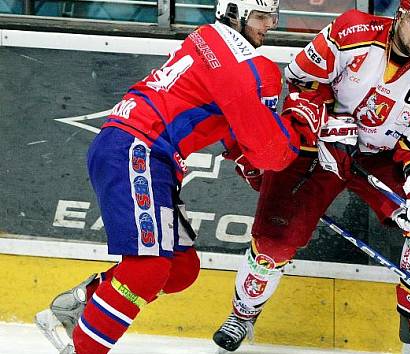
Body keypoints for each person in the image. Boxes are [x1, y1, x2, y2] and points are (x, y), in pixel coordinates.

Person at [33, 1, 327, 354]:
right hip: (137, 149)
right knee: (149, 270)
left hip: (143, 151)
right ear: (235, 13)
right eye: (262, 16)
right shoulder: (251, 67)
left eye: (273, 16)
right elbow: (270, 152)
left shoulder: (209, 37)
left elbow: (228, 116)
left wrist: (244, 156)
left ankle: (82, 301)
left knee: (180, 269)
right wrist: (297, 124)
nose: (271, 24)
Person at [213, 1, 410, 353]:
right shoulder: (352, 31)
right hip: (315, 143)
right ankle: (243, 314)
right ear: (400, 17)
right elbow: (300, 79)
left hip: (376, 157)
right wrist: (331, 123)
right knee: (275, 239)